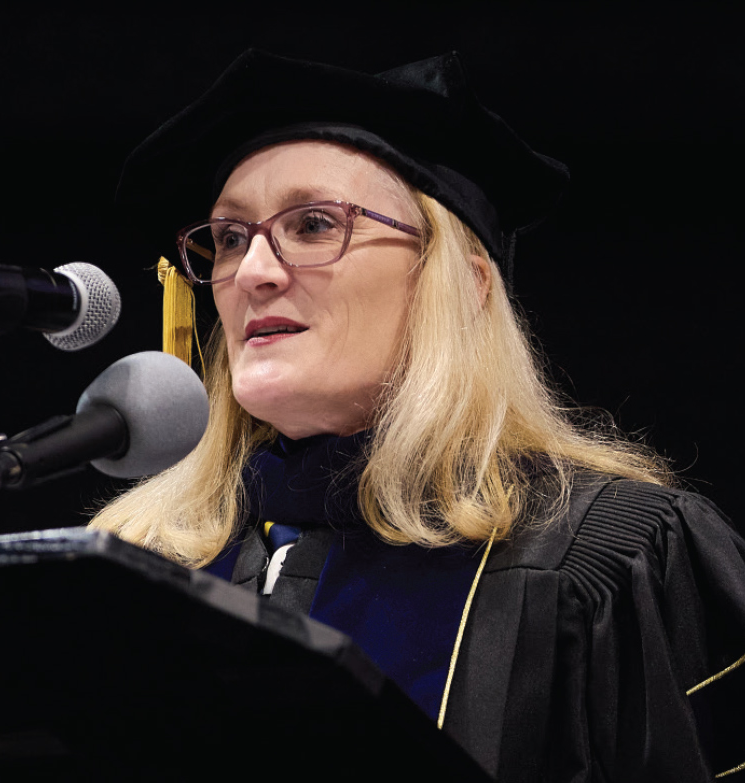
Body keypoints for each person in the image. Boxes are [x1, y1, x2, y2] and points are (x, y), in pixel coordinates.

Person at [90, 50, 745, 781]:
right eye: (230, 238)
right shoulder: (146, 567)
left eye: (313, 224)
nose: (252, 272)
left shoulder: (611, 561)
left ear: (464, 281)